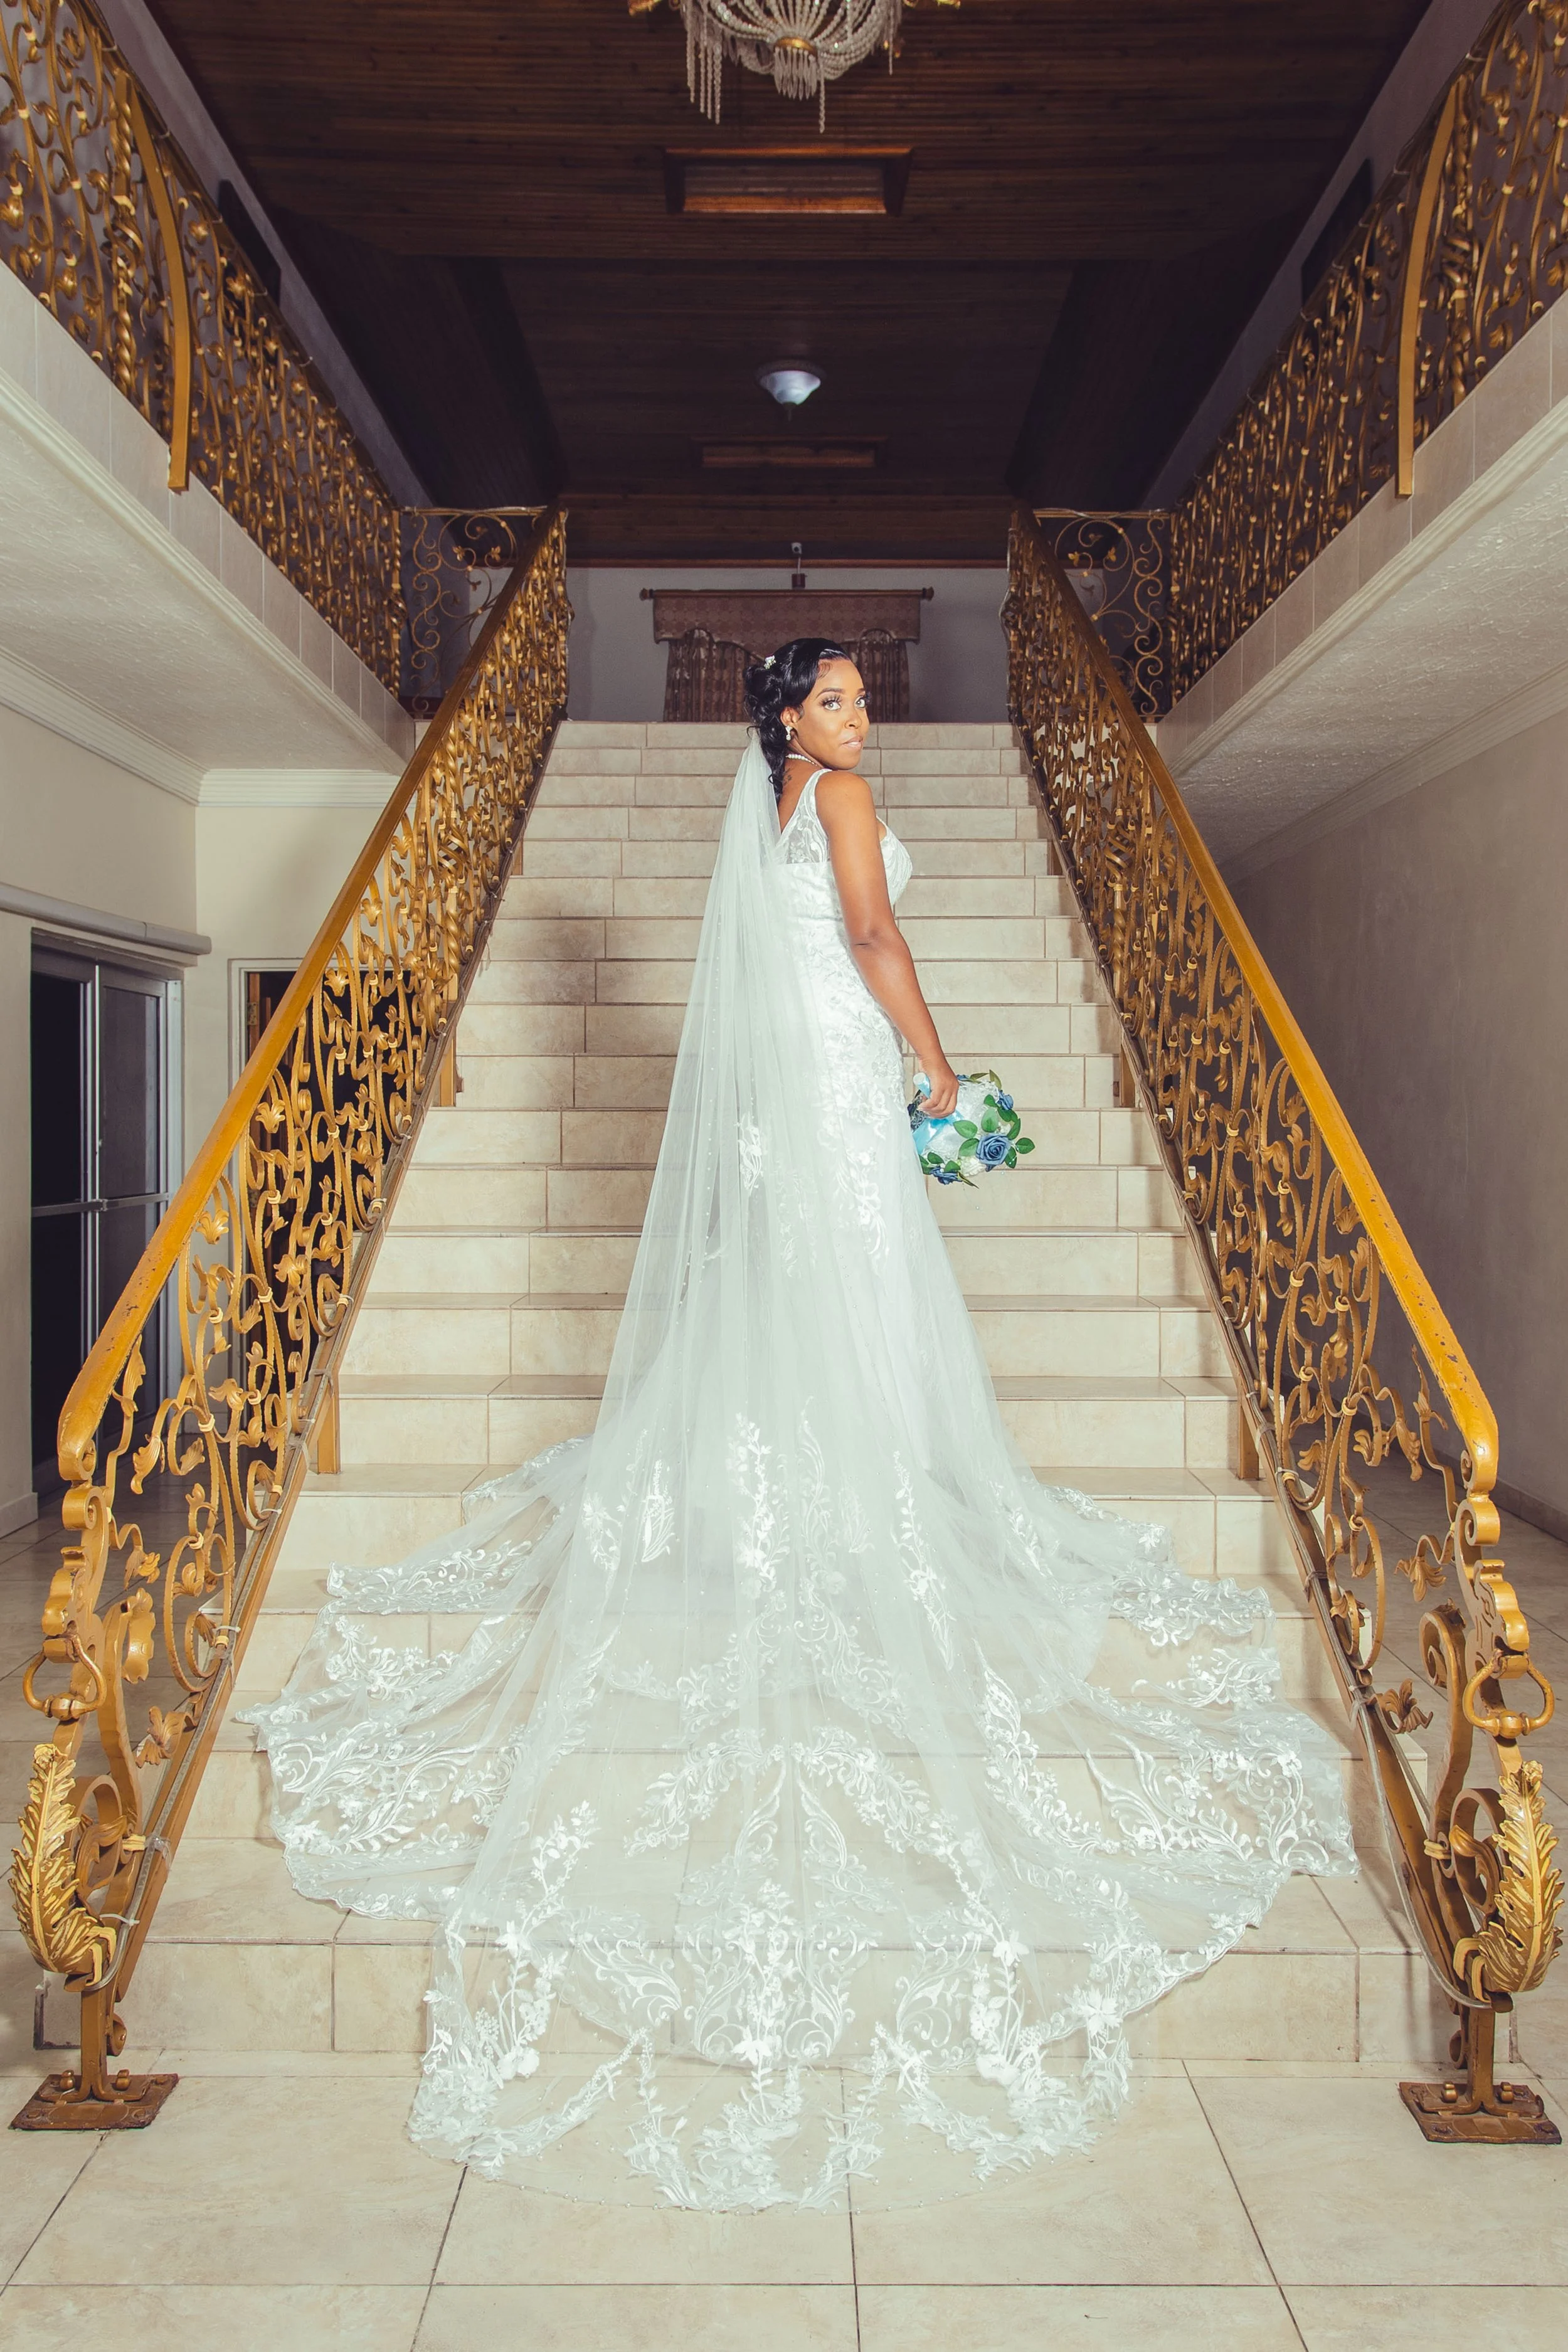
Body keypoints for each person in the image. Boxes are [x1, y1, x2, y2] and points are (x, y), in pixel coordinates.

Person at [247, 638, 1352, 2211]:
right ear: (785, 716)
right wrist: (940, 1071)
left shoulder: (763, 798)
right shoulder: (834, 796)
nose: (857, 716)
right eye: (832, 696)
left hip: (787, 1085)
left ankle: (796, 1498)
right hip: (837, 1076)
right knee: (857, 1290)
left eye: (857, 695)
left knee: (795, 1290)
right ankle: (863, 1507)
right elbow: (871, 933)